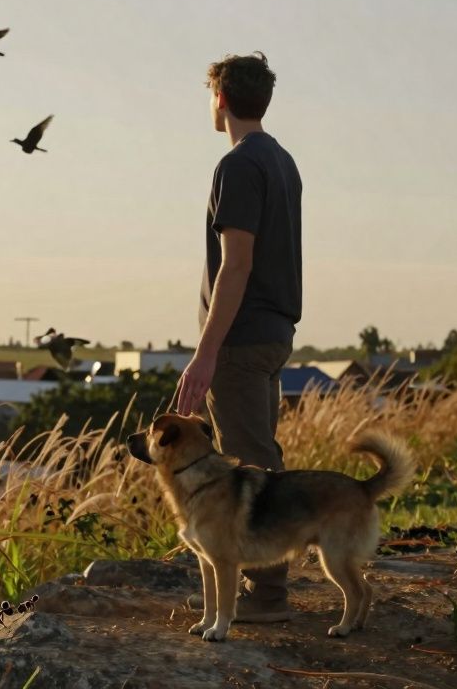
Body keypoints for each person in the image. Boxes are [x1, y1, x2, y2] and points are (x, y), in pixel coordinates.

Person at [174, 51, 303, 623]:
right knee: (260, 454)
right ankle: (262, 584)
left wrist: (206, 354)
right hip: (274, 332)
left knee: (249, 460)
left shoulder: (239, 165)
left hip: (242, 339)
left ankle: (267, 595)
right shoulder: (282, 160)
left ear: (220, 100)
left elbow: (237, 263)